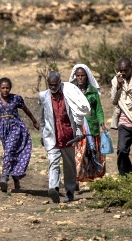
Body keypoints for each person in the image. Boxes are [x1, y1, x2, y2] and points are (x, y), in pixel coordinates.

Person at [39, 71, 91, 203]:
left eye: (55, 84)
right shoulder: (43, 96)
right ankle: (54, 188)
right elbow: (42, 118)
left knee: (69, 166)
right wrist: (42, 134)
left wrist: (78, 131)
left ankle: (69, 191)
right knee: (53, 162)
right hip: (52, 136)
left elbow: (77, 115)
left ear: (60, 82)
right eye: (50, 85)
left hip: (68, 135)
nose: (53, 87)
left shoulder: (69, 94)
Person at [0, 77, 39, 193]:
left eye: (7, 88)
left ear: (10, 88)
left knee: (9, 151)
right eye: (3, 88)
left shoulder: (16, 99)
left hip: (16, 127)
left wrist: (34, 121)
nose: (5, 90)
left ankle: (4, 177)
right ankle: (16, 182)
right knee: (11, 154)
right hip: (2, 129)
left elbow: (26, 110)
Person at [69, 64, 106, 182]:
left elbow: (98, 109)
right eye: (78, 76)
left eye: (82, 76)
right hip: (77, 126)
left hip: (91, 125)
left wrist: (102, 123)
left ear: (86, 77)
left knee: (91, 153)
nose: (80, 78)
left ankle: (91, 177)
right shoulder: (71, 91)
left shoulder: (92, 91)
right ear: (75, 77)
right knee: (79, 154)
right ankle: (75, 178)